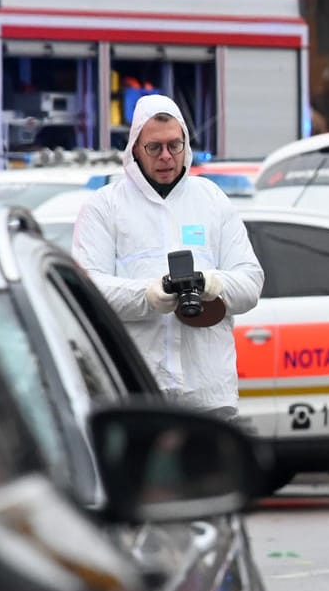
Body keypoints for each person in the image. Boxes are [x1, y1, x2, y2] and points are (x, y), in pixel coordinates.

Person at [72, 95, 265, 418]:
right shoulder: (105, 206)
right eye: (154, 147)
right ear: (135, 148)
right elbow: (88, 292)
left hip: (207, 395)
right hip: (134, 390)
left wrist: (211, 283)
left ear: (186, 144)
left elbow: (251, 282)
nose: (166, 156)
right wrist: (148, 295)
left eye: (175, 145)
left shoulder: (211, 200)